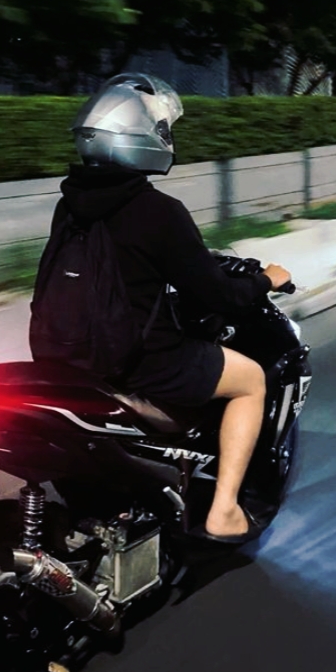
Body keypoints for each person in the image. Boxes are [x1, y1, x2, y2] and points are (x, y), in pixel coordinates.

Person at [51, 73, 292, 542]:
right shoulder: (157, 210)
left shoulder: (70, 203)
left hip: (68, 355)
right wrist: (266, 279)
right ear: (139, 138)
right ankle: (224, 511)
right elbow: (216, 296)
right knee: (251, 381)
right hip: (134, 361)